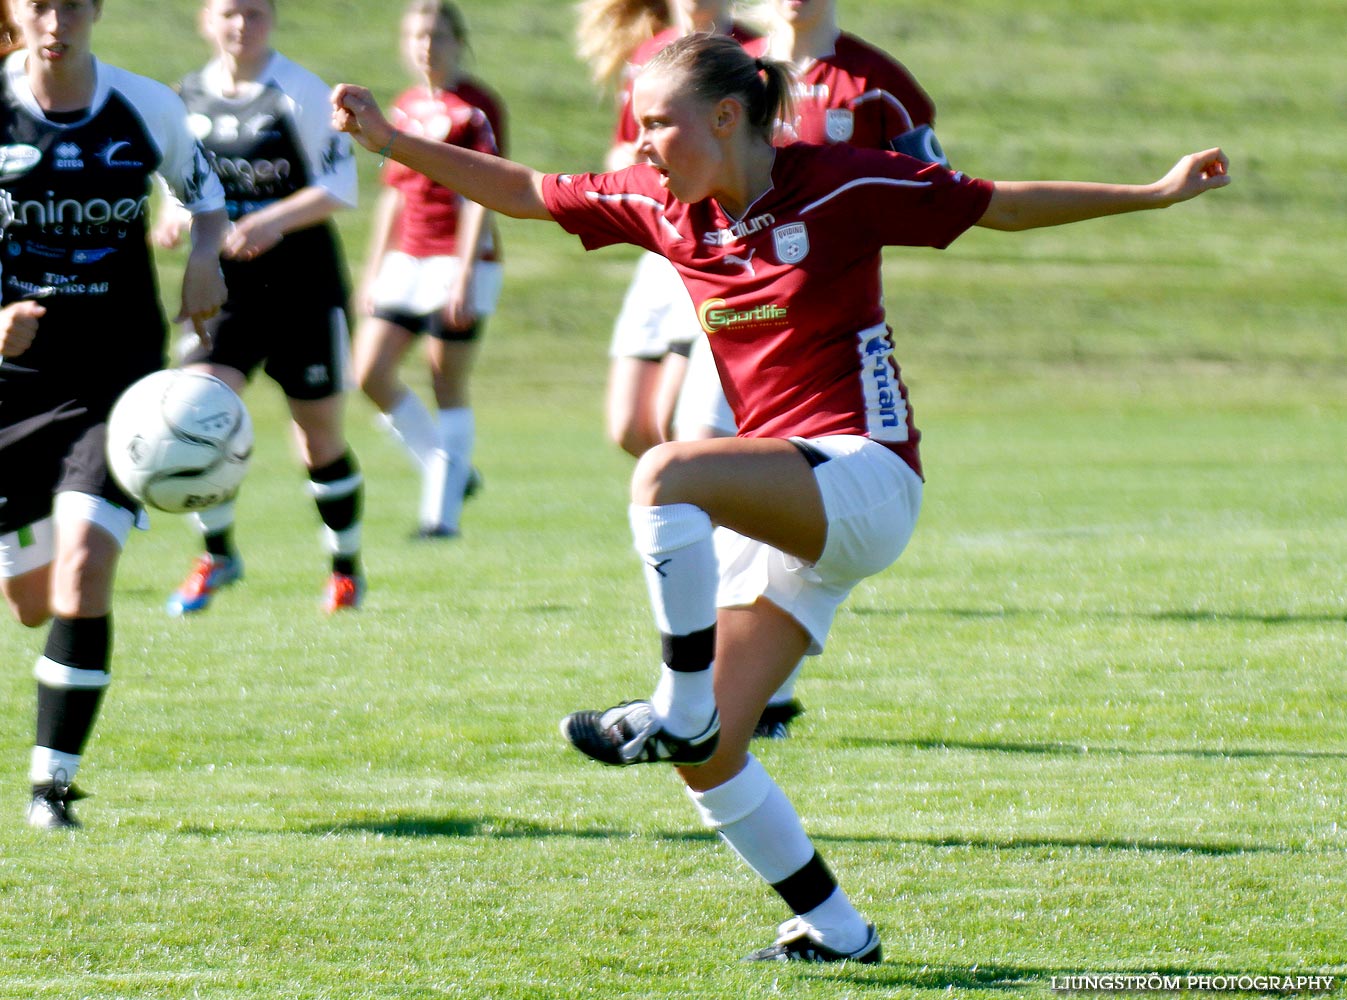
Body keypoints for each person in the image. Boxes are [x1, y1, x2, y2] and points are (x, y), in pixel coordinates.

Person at [332, 33, 1229, 963]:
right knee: (708, 756)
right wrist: (391, 139)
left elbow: (997, 205)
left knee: (664, 472)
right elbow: (522, 191)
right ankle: (835, 929)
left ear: (726, 117)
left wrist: (1155, 193)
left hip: (867, 474)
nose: (638, 145)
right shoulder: (662, 207)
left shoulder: (843, 179)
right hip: (791, 499)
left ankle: (676, 702)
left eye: (654, 125)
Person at [675, 0, 950, 736]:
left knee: (704, 472)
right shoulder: (731, 71)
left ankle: (740, 689)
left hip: (814, 319)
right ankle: (716, 683)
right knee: (689, 459)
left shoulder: (878, 85)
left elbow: (935, 189)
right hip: (729, 310)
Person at [0, 0, 229, 829]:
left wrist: (205, 260)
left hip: (117, 386)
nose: (54, 20)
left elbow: (205, 197)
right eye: (37, 4)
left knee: (84, 569)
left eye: (70, 3)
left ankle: (51, 788)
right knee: (29, 600)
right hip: (9, 389)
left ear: (94, 10)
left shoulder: (144, 106)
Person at [155, 0, 364, 615]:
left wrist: (270, 221)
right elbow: (175, 178)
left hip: (303, 285)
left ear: (271, 19)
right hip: (222, 291)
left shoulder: (299, 92)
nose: (242, 24)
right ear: (206, 20)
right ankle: (217, 555)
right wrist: (172, 213)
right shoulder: (184, 95)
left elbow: (338, 188)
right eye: (229, 13)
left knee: (316, 438)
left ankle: (344, 568)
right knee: (196, 409)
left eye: (255, 12)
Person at [351, 0, 505, 539]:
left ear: (457, 41)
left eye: (437, 35)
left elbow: (484, 192)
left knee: (445, 381)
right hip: (405, 258)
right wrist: (371, 271)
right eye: (418, 35)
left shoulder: (478, 107)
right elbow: (393, 195)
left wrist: (464, 272)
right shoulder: (405, 105)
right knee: (367, 372)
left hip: (458, 259)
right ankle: (452, 471)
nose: (427, 45)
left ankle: (440, 518)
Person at [579, 0, 758, 457]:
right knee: (630, 427)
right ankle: (705, 506)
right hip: (661, 249)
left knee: (678, 424)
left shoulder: (755, 56)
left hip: (717, 250)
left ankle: (719, 515)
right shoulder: (649, 56)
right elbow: (624, 150)